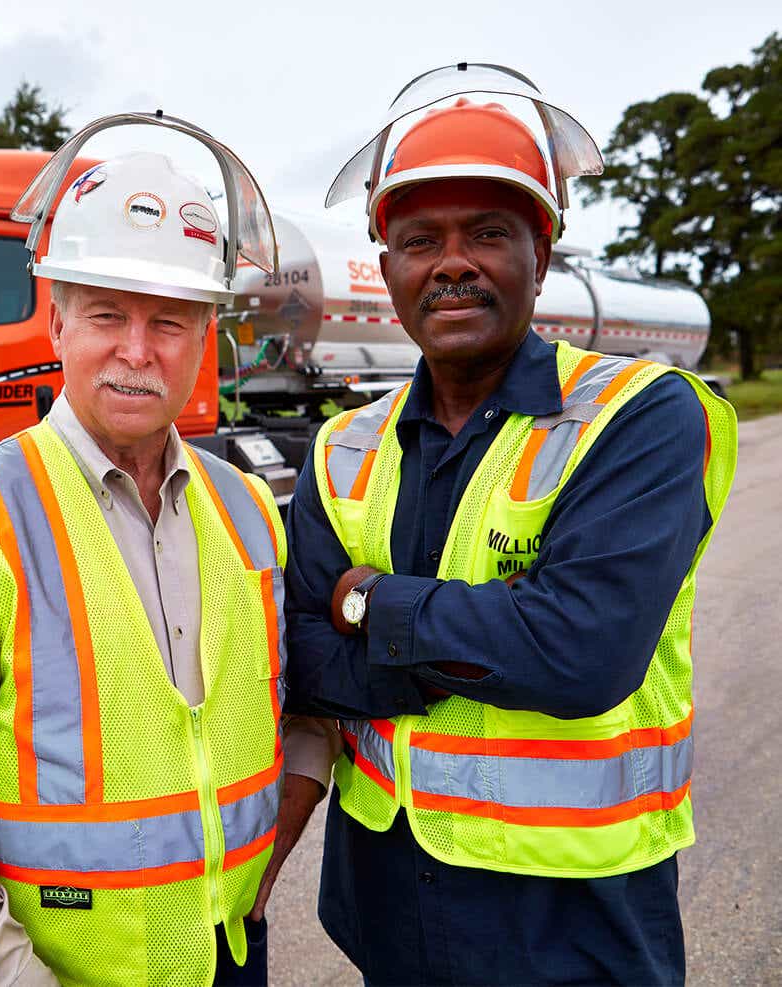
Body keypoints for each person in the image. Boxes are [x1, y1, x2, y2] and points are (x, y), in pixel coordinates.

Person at [0, 116, 336, 987]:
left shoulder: (250, 508)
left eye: (171, 321)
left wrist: (289, 808)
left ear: (206, 342)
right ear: (57, 323)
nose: (136, 352)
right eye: (107, 313)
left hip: (231, 956)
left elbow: (302, 701)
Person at [285, 65, 737, 985]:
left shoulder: (640, 415)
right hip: (388, 908)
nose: (451, 261)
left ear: (541, 252)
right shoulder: (342, 446)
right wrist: (485, 633)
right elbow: (301, 653)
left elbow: (582, 656)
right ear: (388, 268)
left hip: (575, 917)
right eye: (420, 240)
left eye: (487, 233)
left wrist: (373, 608)